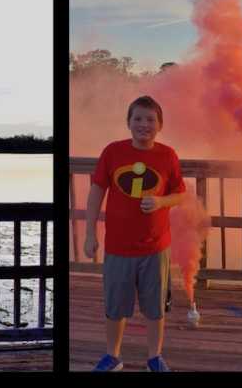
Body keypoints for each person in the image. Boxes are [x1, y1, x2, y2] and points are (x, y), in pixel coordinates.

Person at [85, 95, 187, 372]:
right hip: (118, 247)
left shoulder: (168, 155)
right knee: (115, 308)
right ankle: (112, 356)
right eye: (138, 118)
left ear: (160, 125)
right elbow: (95, 194)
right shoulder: (113, 152)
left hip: (156, 248)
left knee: (155, 309)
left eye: (150, 119)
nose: (144, 124)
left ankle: (154, 357)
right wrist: (90, 234)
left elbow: (180, 194)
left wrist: (161, 201)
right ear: (128, 122)